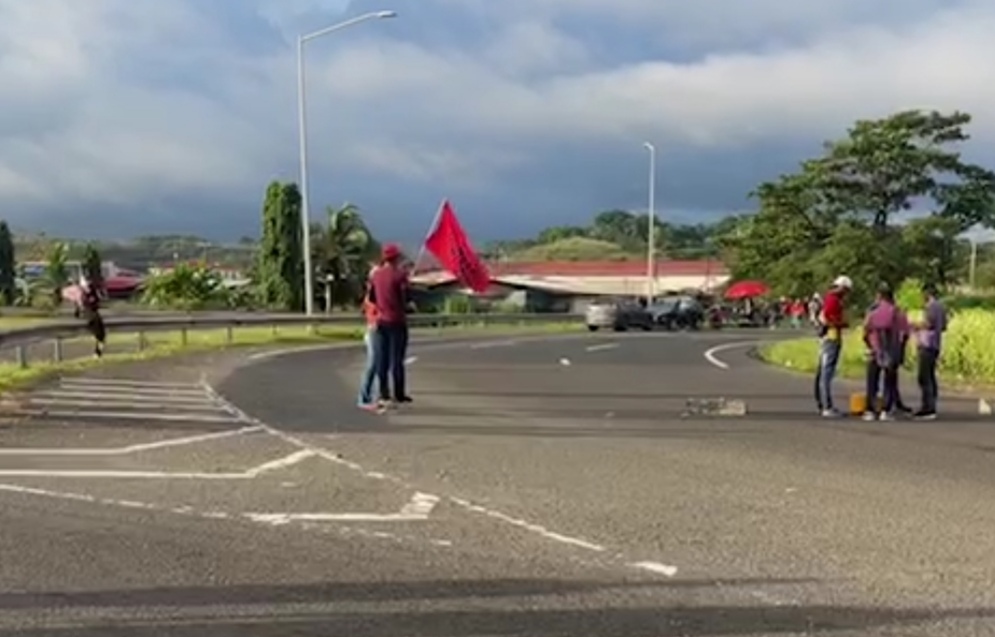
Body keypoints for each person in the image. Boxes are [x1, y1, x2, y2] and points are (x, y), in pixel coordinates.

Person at [368, 244, 413, 405]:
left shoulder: (376, 275)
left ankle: (383, 393)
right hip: (397, 322)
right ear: (396, 258)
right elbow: (406, 298)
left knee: (382, 359)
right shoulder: (400, 276)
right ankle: (399, 394)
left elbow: (372, 298)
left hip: (381, 322)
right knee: (397, 360)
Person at [862, 284, 903, 421]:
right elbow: (903, 334)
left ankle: (870, 410)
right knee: (889, 381)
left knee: (872, 381)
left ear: (879, 296)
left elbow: (865, 331)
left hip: (874, 349)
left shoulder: (872, 311)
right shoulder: (896, 312)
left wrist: (869, 345)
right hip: (891, 350)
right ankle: (886, 410)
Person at [814, 275, 851, 417]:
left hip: (829, 337)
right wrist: (842, 323)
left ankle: (822, 403)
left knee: (823, 371)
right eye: (846, 290)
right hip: (831, 337)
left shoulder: (831, 299)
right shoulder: (832, 300)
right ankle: (827, 406)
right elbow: (829, 319)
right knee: (826, 372)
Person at [912, 283, 947, 420]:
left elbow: (928, 323)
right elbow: (943, 326)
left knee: (924, 376)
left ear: (927, 293)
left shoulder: (931, 307)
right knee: (930, 376)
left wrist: (914, 325)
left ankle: (928, 407)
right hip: (936, 344)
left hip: (927, 344)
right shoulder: (941, 307)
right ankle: (931, 405)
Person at [357, 265, 385, 413]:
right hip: (373, 330)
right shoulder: (372, 294)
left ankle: (378, 396)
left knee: (380, 365)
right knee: (372, 364)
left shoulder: (377, 293)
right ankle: (363, 398)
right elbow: (372, 312)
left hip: (378, 331)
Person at [74, 277, 106, 358]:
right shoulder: (81, 294)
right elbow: (79, 307)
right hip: (89, 315)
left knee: (101, 335)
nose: (87, 288)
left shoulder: (93, 292)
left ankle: (98, 352)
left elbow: (97, 302)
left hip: (93, 315)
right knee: (100, 335)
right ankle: (98, 351)